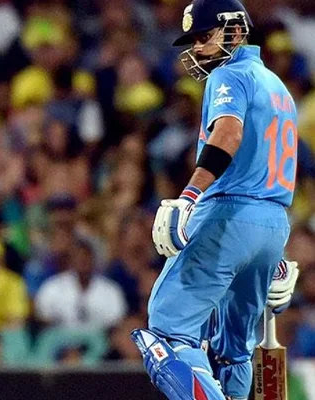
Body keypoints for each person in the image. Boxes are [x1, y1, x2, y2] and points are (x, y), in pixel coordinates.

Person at [129, 1, 300, 399]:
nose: (199, 49)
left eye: (205, 37)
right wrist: (271, 259)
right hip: (273, 226)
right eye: (194, 41)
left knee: (168, 332)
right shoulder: (279, 88)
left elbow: (229, 134)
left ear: (235, 31)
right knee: (232, 351)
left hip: (228, 214)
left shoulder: (229, 75)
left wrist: (189, 195)